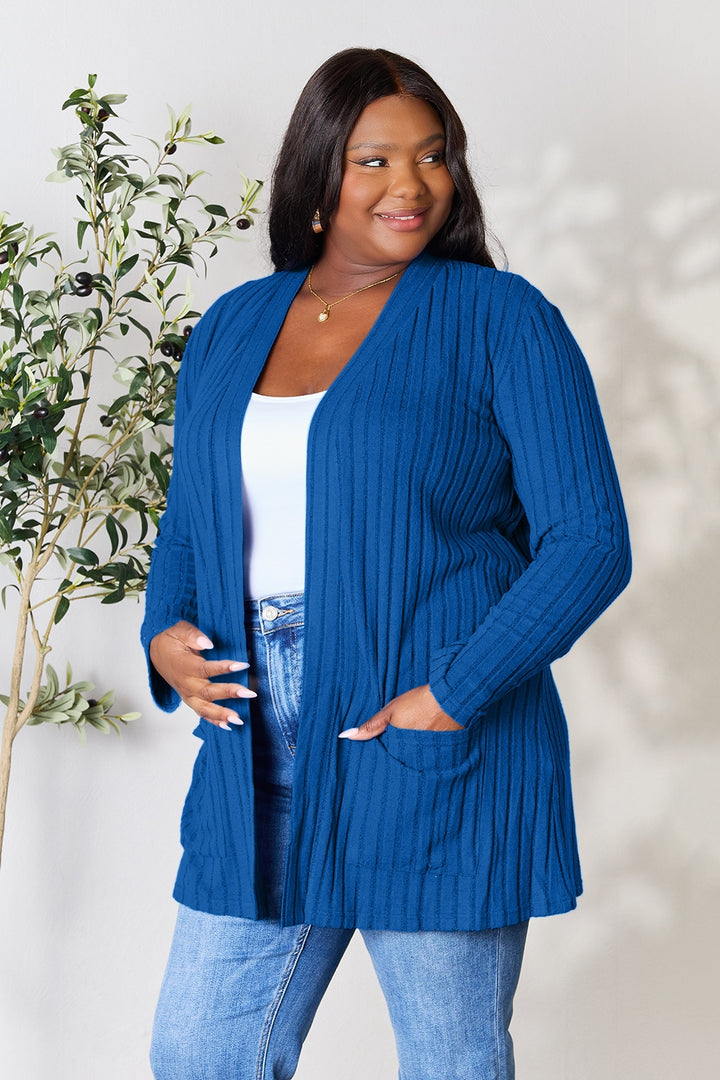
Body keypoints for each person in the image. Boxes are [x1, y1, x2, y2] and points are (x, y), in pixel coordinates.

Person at [141, 47, 631, 1080]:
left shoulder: (501, 320)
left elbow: (589, 541)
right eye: (373, 159)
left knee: (450, 1060)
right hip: (254, 730)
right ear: (318, 175)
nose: (411, 184)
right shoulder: (233, 327)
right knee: (201, 1052)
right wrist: (164, 630)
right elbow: (191, 518)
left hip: (425, 713)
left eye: (432, 155)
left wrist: (454, 692)